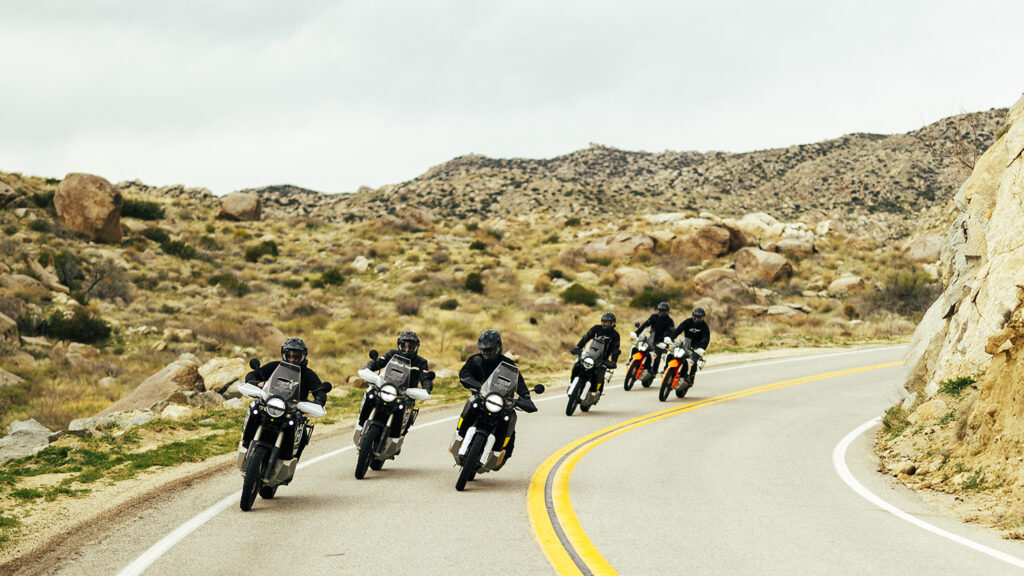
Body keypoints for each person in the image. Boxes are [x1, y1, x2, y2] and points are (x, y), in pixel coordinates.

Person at [455, 329, 536, 466]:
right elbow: (465, 373)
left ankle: (502, 455)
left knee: (509, 421)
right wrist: (475, 384)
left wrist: (526, 397)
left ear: (499, 348)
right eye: (484, 350)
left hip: (501, 403)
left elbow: (519, 383)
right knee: (472, 403)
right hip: (482, 398)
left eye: (490, 350)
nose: (486, 353)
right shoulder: (475, 360)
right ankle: (460, 435)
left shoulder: (509, 365)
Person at [243, 337, 331, 457]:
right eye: (289, 355)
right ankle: (246, 441)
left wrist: (318, 400)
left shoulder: (308, 374)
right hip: (271, 404)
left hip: (293, 411)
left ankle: (290, 459)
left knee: (303, 435)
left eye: (296, 356)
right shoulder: (274, 366)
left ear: (303, 356)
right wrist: (256, 383)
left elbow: (320, 391)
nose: (292, 359)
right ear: (284, 355)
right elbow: (253, 374)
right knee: (255, 411)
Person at [358, 330, 434, 438]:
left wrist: (427, 388)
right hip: (387, 388)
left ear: (416, 347)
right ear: (399, 345)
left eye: (411, 347)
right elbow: (377, 363)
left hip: (406, 394)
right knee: (371, 393)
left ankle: (397, 436)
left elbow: (425, 378)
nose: (407, 349)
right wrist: (368, 368)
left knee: (406, 408)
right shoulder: (391, 354)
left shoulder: (421, 362)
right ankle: (361, 423)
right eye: (404, 346)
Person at [570, 312, 621, 394]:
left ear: (613, 323)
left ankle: (596, 392)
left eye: (609, 322)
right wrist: (578, 347)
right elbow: (586, 338)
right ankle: (571, 381)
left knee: (600, 374)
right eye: (605, 322)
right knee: (577, 363)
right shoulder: (596, 328)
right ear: (602, 322)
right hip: (589, 356)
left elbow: (615, 349)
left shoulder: (615, 335)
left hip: (602, 360)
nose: (606, 324)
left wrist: (613, 361)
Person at [669, 306, 710, 384]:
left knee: (692, 361)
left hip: (697, 346)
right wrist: (672, 338)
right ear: (693, 315)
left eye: (699, 317)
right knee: (673, 354)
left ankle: (691, 376)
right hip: (686, 342)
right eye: (696, 316)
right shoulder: (687, 322)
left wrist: (701, 348)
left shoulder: (704, 326)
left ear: (702, 317)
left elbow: (706, 339)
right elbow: (678, 330)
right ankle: (667, 370)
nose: (697, 318)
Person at [634, 301, 675, 377]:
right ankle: (632, 361)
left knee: (657, 355)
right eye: (660, 310)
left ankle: (654, 372)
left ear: (667, 311)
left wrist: (667, 339)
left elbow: (671, 332)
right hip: (651, 338)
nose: (661, 312)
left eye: (663, 311)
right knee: (638, 347)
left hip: (661, 342)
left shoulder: (670, 321)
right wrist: (637, 332)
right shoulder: (654, 317)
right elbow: (645, 324)